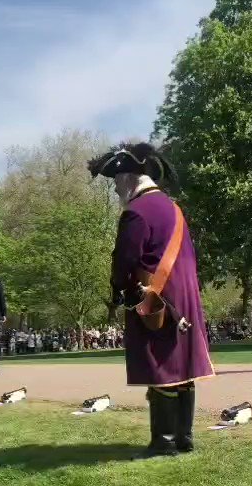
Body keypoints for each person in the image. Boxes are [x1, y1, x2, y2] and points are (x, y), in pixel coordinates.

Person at [89, 141, 214, 458]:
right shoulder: (174, 208)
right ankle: (183, 438)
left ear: (131, 177)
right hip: (183, 296)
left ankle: (164, 442)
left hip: (154, 296)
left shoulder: (136, 212)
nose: (116, 188)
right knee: (181, 367)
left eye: (118, 180)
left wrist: (120, 289)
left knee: (161, 365)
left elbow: (125, 259)